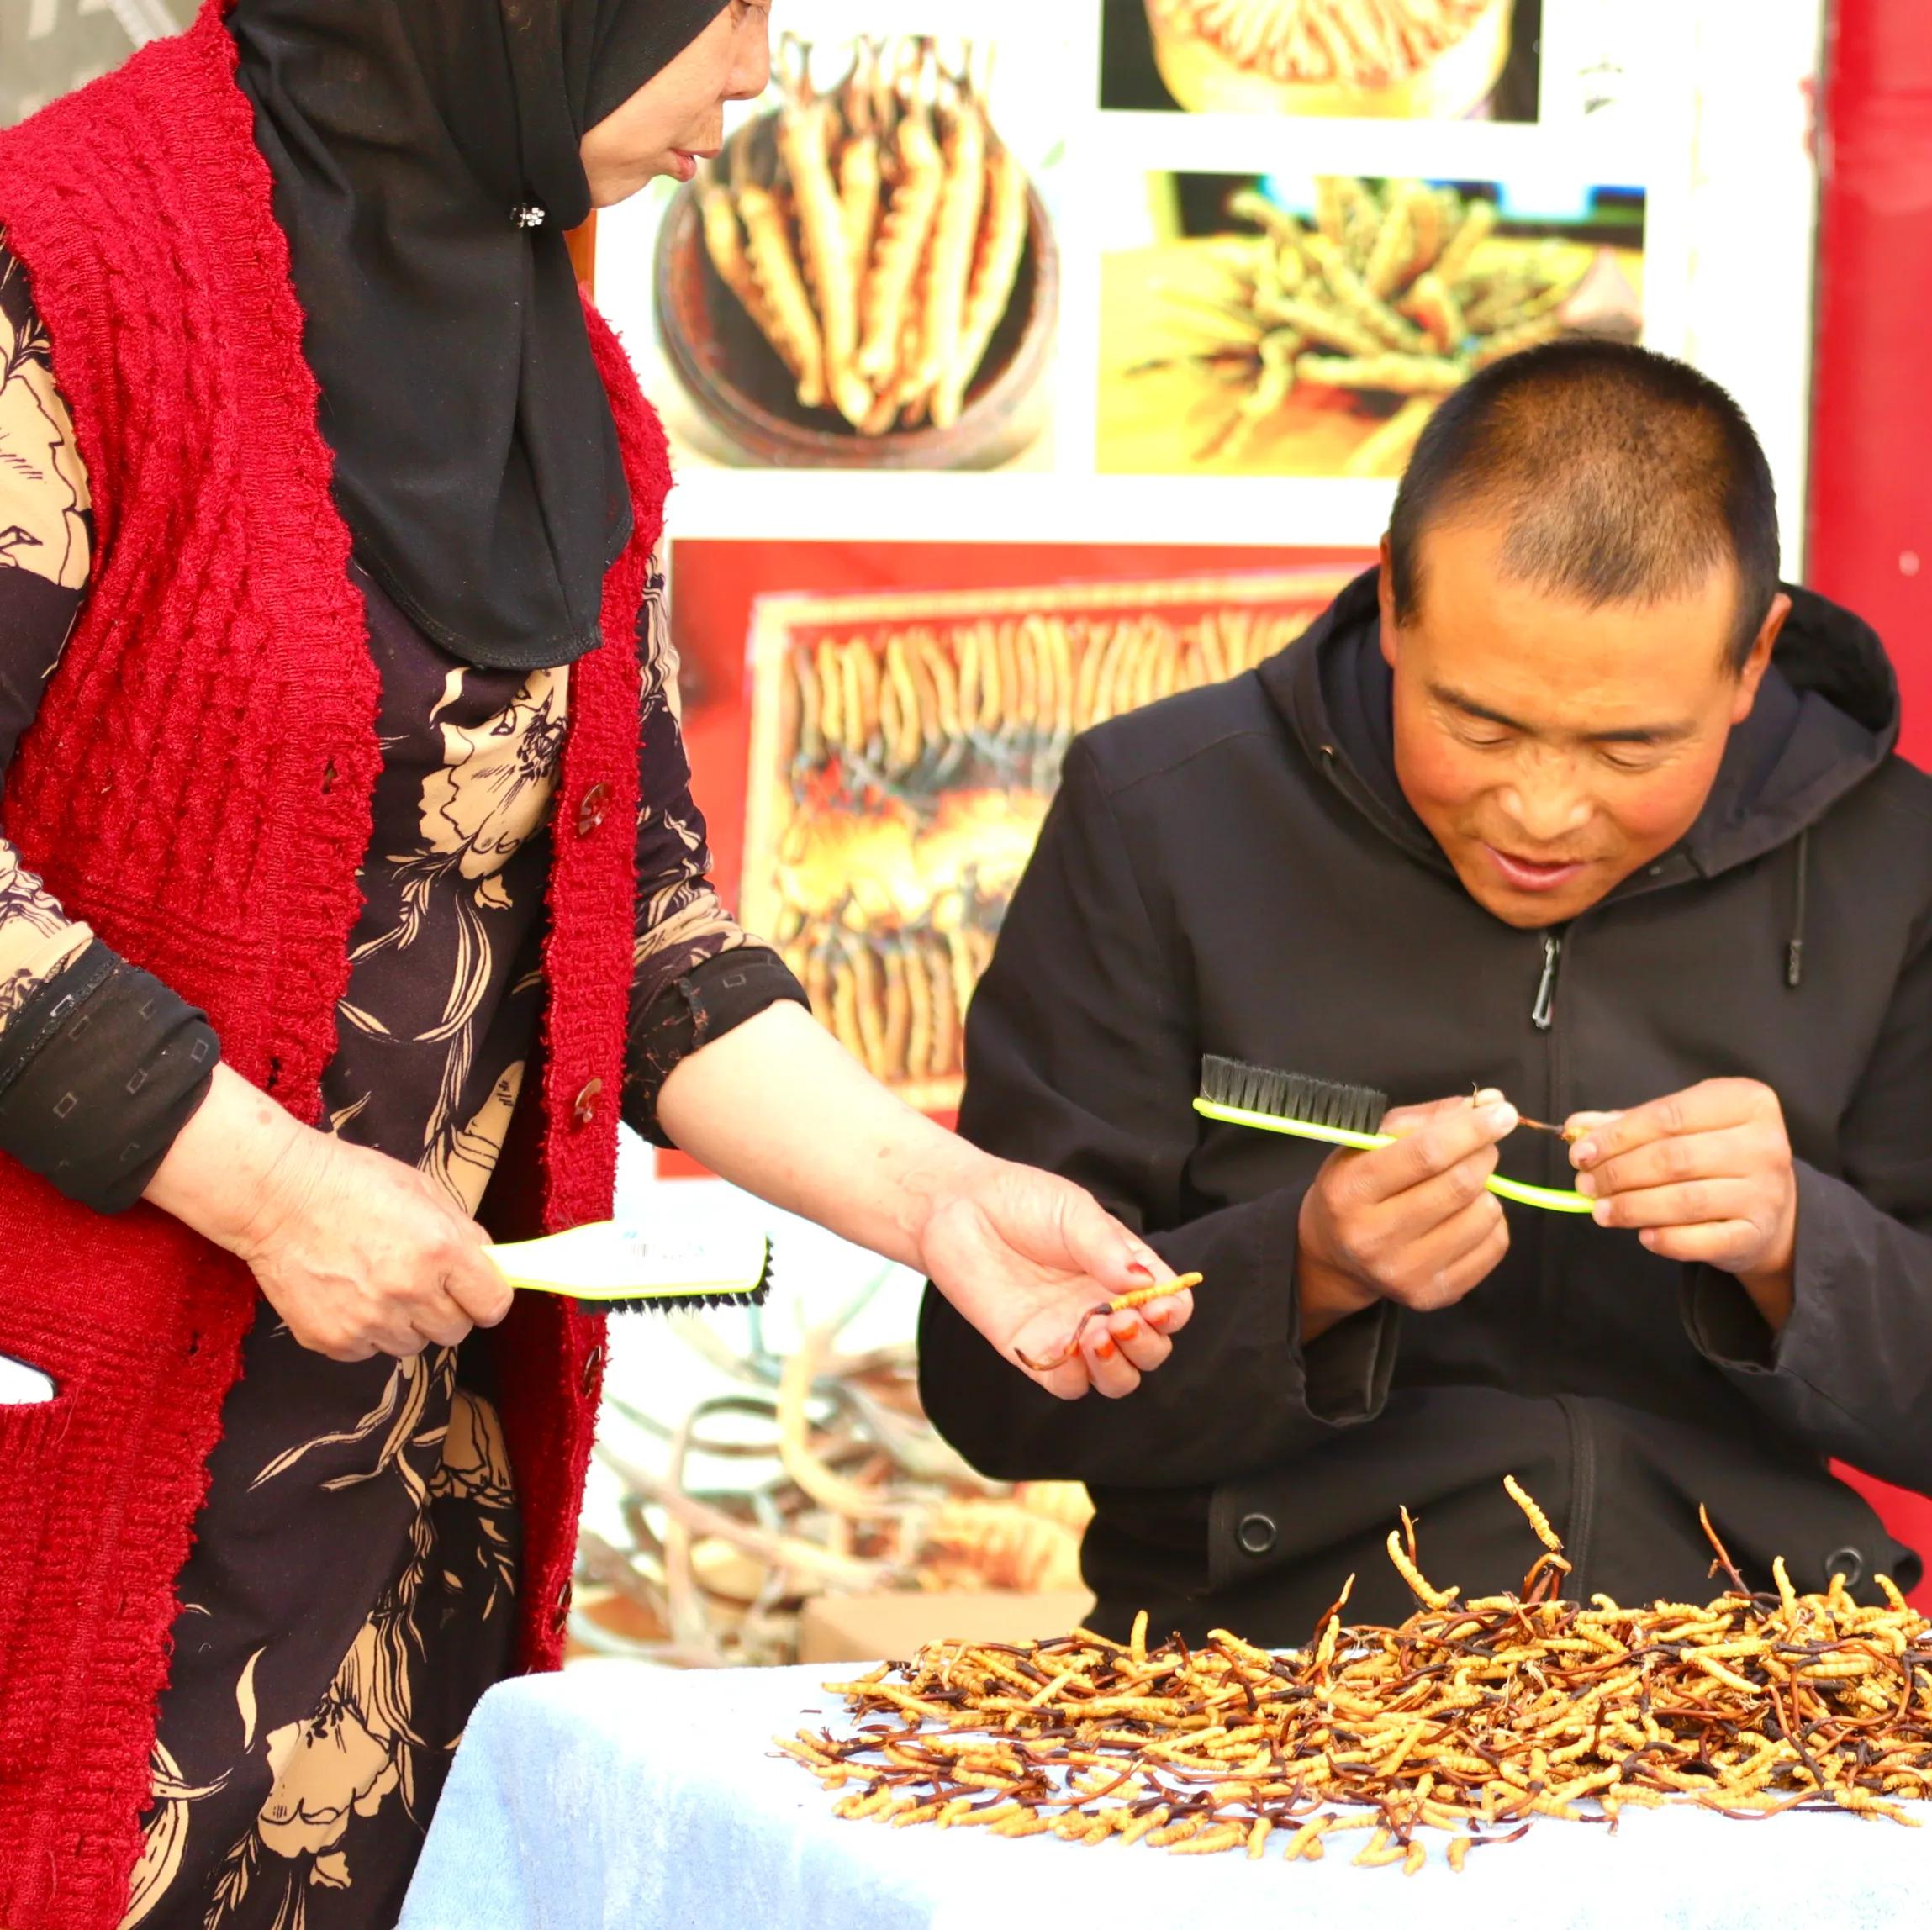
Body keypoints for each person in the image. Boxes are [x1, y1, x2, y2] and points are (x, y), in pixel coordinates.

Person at [0, 6, 1191, 1923]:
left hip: (400, 1488)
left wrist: (946, 1201)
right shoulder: (60, 271)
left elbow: (634, 917)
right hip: (70, 1470)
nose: (758, 71)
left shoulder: (573, 385)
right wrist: (278, 1189)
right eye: (721, 10)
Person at [926, 339, 1932, 1645]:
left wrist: (1801, 1248)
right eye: (1481, 726)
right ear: (1393, 604)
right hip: (1272, 1668)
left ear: (1753, 661)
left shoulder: (1893, 860)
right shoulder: (1164, 815)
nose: (1542, 811)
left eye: (1631, 746)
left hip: (1761, 1676)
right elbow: (993, 1394)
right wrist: (1305, 1274)